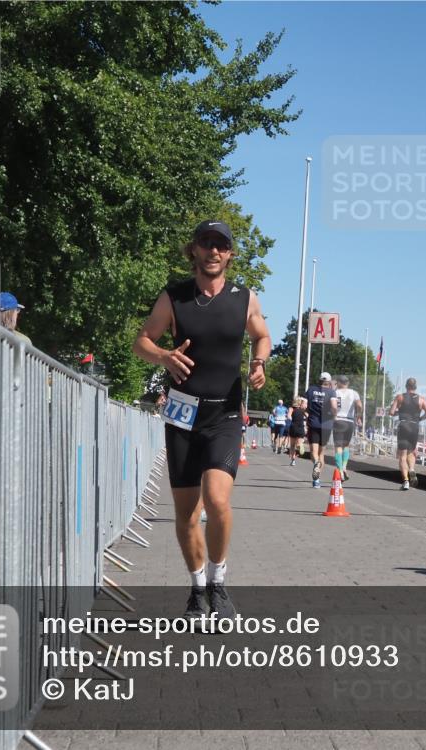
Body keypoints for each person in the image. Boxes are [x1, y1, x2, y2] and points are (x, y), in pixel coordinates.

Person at [132, 219, 270, 621]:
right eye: (206, 243)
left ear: (230, 254)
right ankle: (196, 590)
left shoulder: (244, 298)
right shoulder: (174, 297)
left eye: (221, 245)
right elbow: (143, 340)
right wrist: (162, 356)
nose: (213, 251)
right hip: (181, 413)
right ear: (193, 250)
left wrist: (259, 361)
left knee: (218, 500)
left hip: (224, 412)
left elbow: (262, 335)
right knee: (187, 514)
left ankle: (218, 583)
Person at [389, 378, 426, 490]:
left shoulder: (400, 397)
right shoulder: (421, 399)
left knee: (402, 455)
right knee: (412, 451)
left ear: (406, 386)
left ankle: (406, 481)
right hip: (414, 426)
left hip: (403, 425)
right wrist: (420, 419)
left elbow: (391, 412)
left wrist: (401, 412)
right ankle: (412, 469)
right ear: (415, 387)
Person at [304, 372, 337, 488]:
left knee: (314, 452)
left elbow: (303, 405)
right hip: (327, 425)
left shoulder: (311, 390)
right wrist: (335, 414)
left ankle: (316, 470)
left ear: (319, 380)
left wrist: (307, 414)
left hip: (313, 423)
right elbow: (334, 406)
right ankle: (317, 479)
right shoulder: (332, 392)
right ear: (329, 381)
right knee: (321, 453)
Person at [332, 374, 363, 480]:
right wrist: (358, 416)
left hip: (338, 420)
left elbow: (332, 406)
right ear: (348, 383)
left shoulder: (335, 392)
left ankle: (340, 471)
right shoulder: (354, 393)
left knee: (338, 448)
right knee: (346, 446)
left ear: (339, 383)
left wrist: (334, 415)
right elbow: (359, 405)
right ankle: (344, 467)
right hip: (349, 421)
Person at [287, 397, 308, 466]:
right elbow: (307, 416)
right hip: (301, 428)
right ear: (300, 403)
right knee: (299, 443)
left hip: (293, 427)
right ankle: (300, 445)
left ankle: (293, 460)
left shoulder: (291, 408)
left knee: (292, 445)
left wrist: (291, 418)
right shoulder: (302, 409)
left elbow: (289, 416)